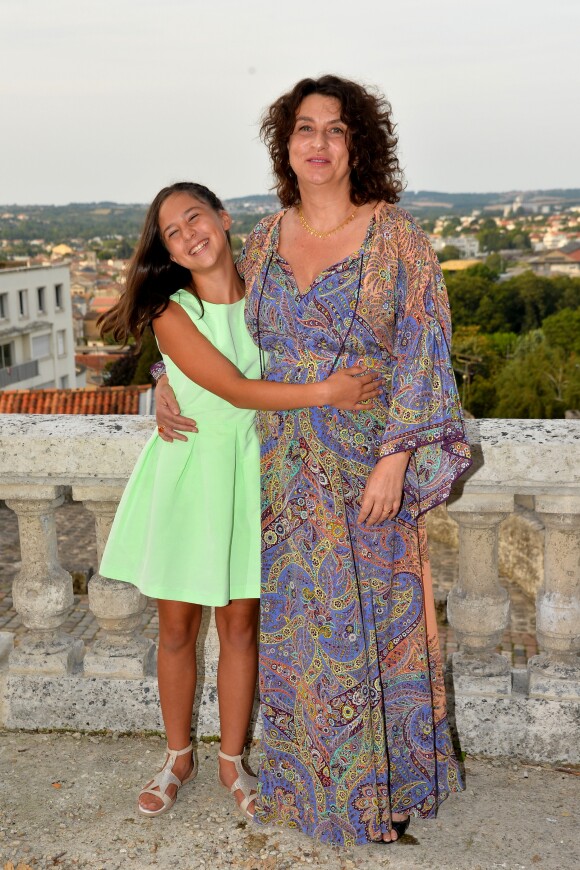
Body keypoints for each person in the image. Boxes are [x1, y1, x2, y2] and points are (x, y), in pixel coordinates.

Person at [155, 76, 472, 846]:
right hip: (281, 473)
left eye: (335, 129)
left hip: (369, 467)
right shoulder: (261, 242)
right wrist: (159, 380)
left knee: (378, 627)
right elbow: (207, 322)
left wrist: (397, 458)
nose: (319, 142)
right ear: (286, 146)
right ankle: (308, 788)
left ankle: (383, 797)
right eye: (304, 129)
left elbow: (426, 354)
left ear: (356, 144)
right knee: (300, 639)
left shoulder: (398, 239)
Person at [97, 181, 380, 821]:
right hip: (193, 472)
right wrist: (324, 393)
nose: (189, 234)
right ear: (165, 249)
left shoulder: (271, 290)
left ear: (223, 220)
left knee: (240, 628)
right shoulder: (171, 312)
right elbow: (231, 386)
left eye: (195, 217)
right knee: (176, 629)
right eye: (172, 231)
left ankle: (231, 761)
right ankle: (176, 756)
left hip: (254, 474)